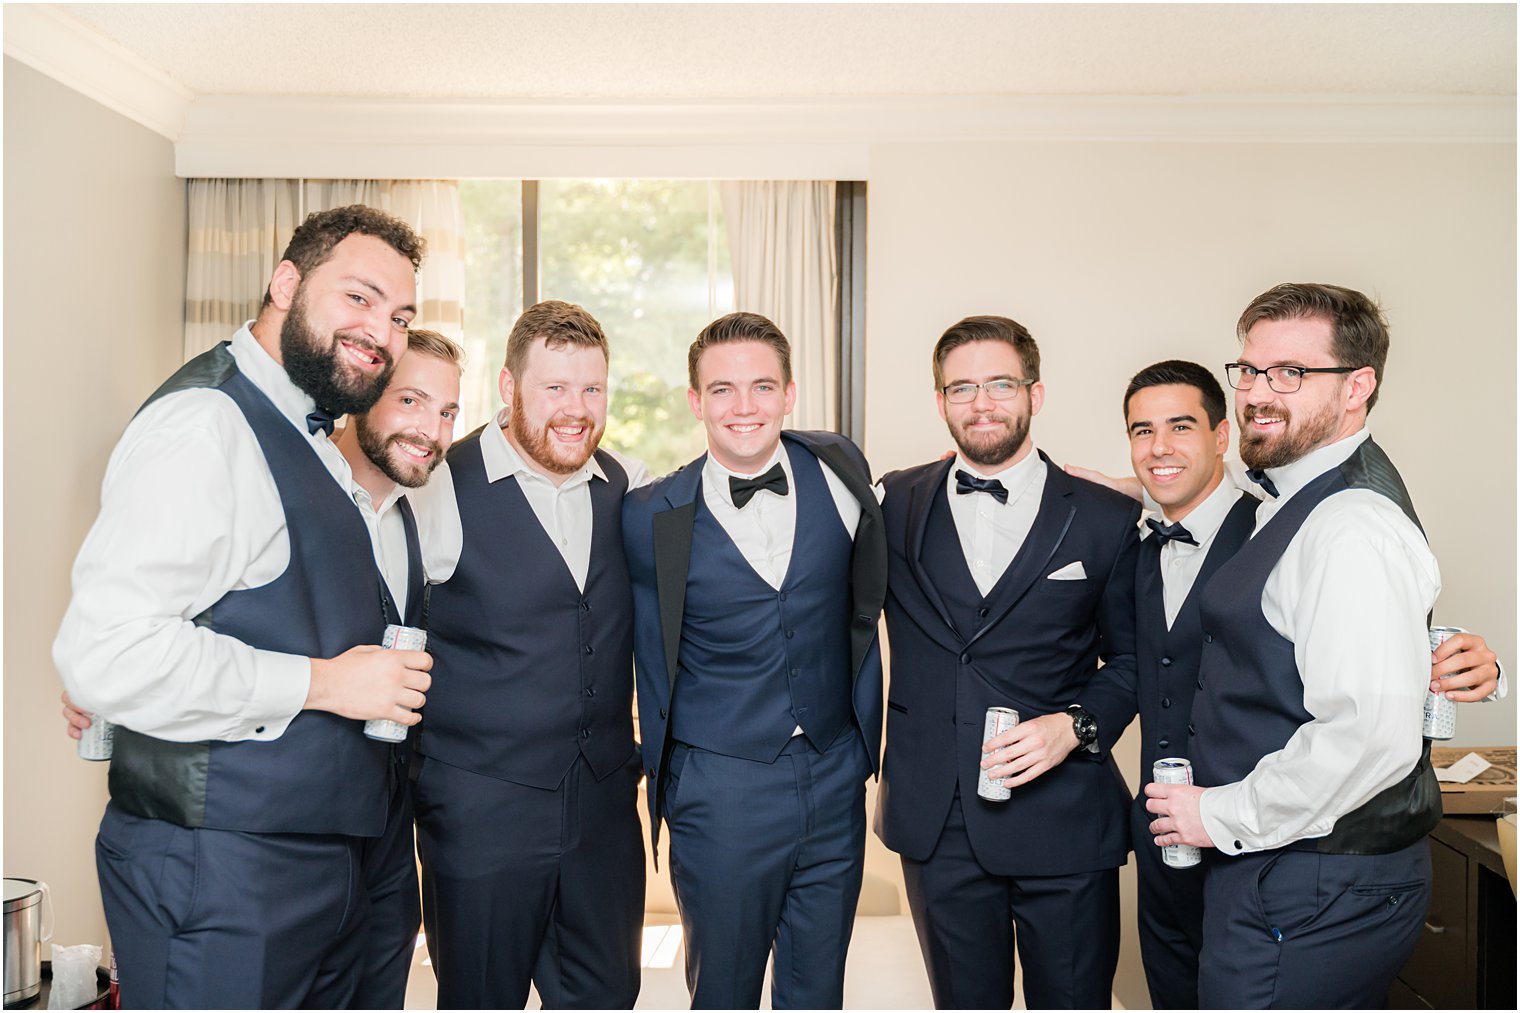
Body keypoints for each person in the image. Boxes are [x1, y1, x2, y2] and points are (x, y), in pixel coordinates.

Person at [53, 205, 435, 1008]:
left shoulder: (310, 435)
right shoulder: (206, 424)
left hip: (316, 868)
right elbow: (108, 652)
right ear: (285, 281)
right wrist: (327, 683)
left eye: (399, 316)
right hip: (219, 872)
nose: (382, 332)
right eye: (359, 298)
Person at [1145, 282, 1448, 1008]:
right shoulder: (1296, 492)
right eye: (1248, 370)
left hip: (1313, 882)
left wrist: (1215, 816)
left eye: (1290, 373)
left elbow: (1371, 737)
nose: (1257, 392)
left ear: (1357, 386)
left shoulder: (1352, 526)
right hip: (1290, 873)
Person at [873, 315, 1140, 1009]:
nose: (981, 403)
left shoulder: (1107, 516)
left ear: (1035, 393)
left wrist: (1075, 726)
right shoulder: (893, 501)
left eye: (999, 383)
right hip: (938, 820)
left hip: (1066, 818)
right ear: (940, 402)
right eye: (961, 387)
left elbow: (1135, 659)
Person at [622, 311, 887, 1009]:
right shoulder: (650, 513)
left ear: (790, 393)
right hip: (719, 784)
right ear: (694, 400)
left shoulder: (841, 467)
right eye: (722, 390)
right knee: (725, 991)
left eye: (762, 386)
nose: (744, 407)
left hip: (834, 774)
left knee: (817, 988)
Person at [405, 300, 646, 1009]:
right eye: (555, 388)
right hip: (480, 818)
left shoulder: (629, 485)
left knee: (608, 996)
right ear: (509, 388)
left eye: (592, 389)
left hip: (602, 814)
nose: (576, 410)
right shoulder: (436, 486)